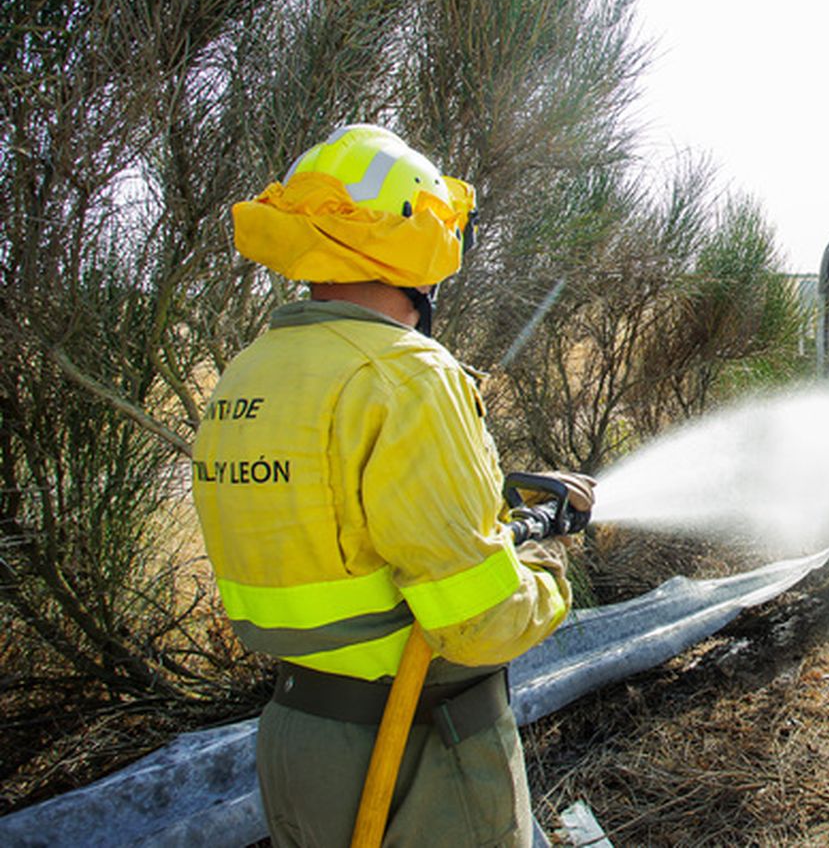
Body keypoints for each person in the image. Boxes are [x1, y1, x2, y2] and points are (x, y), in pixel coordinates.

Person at [192, 124, 591, 846]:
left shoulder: (251, 372)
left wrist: (496, 508)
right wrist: (547, 562)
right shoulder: (407, 374)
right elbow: (479, 623)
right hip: (415, 752)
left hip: (297, 739)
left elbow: (347, 523)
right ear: (421, 247)